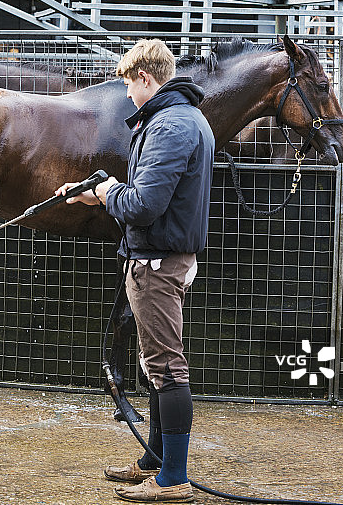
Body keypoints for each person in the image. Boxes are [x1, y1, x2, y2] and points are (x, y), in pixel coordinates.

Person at [55, 39, 215, 503]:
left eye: (128, 83)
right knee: (155, 365)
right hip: (163, 256)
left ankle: (173, 481)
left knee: (166, 368)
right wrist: (98, 194)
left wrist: (106, 192)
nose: (126, 94)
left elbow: (144, 205)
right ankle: (154, 462)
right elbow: (148, 196)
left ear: (146, 77)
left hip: (158, 264)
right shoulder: (185, 118)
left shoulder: (168, 126)